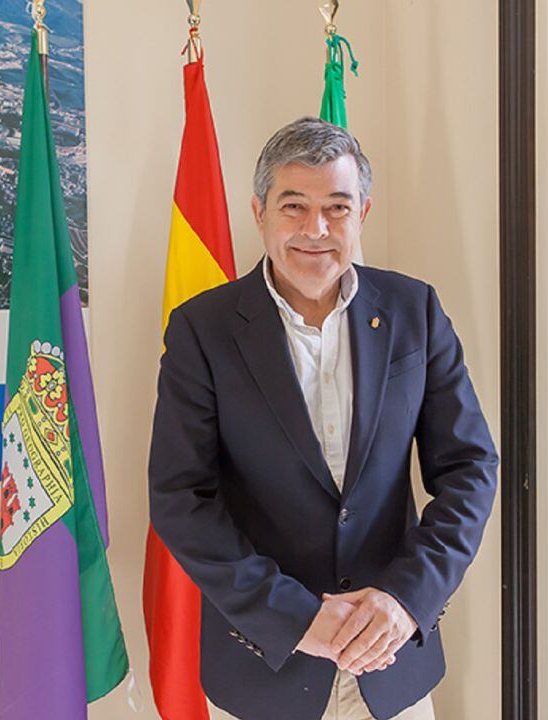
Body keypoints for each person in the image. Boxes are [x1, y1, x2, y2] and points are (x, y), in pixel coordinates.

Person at [148, 116, 498, 720]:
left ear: (362, 214)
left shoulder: (416, 311)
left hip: (393, 663)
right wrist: (298, 617)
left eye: (337, 207)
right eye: (294, 206)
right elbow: (182, 498)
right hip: (265, 667)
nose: (316, 229)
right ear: (259, 212)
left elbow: (470, 468)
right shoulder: (202, 330)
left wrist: (406, 599)